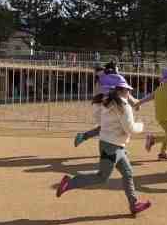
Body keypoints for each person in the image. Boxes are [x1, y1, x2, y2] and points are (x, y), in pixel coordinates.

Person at [56, 74, 152, 216]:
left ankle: (134, 204)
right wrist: (141, 125)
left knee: (128, 173)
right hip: (113, 147)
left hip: (113, 145)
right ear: (120, 90)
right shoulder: (123, 106)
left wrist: (86, 136)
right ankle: (69, 182)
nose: (129, 92)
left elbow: (105, 126)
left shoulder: (108, 102)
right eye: (127, 90)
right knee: (102, 177)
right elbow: (130, 128)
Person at [73, 61, 138, 147]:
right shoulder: (117, 78)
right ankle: (85, 136)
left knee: (109, 127)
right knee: (113, 127)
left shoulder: (102, 77)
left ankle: (118, 147)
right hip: (108, 105)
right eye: (118, 68)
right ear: (115, 68)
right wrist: (136, 103)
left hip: (98, 105)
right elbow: (126, 94)